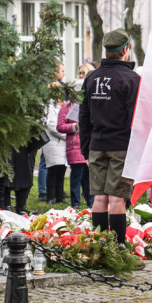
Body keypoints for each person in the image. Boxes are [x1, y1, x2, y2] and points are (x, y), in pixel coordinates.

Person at [79, 29, 141, 245]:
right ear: (125, 50)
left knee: (99, 198)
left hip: (96, 145)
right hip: (121, 147)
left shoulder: (91, 77)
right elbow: (136, 118)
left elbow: (83, 116)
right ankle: (117, 247)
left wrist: (86, 148)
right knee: (116, 199)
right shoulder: (132, 79)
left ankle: (98, 245)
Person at [58, 79, 91, 208]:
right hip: (74, 146)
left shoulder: (89, 104)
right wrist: (74, 126)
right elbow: (60, 126)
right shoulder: (67, 106)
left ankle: (90, 202)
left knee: (88, 178)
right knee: (76, 177)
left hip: (87, 144)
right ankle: (75, 203)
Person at [38, 62, 67, 204]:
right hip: (53, 141)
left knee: (61, 169)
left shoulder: (61, 104)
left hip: (61, 141)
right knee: (53, 169)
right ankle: (50, 196)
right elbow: (51, 124)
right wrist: (64, 134)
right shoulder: (49, 105)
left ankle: (60, 195)